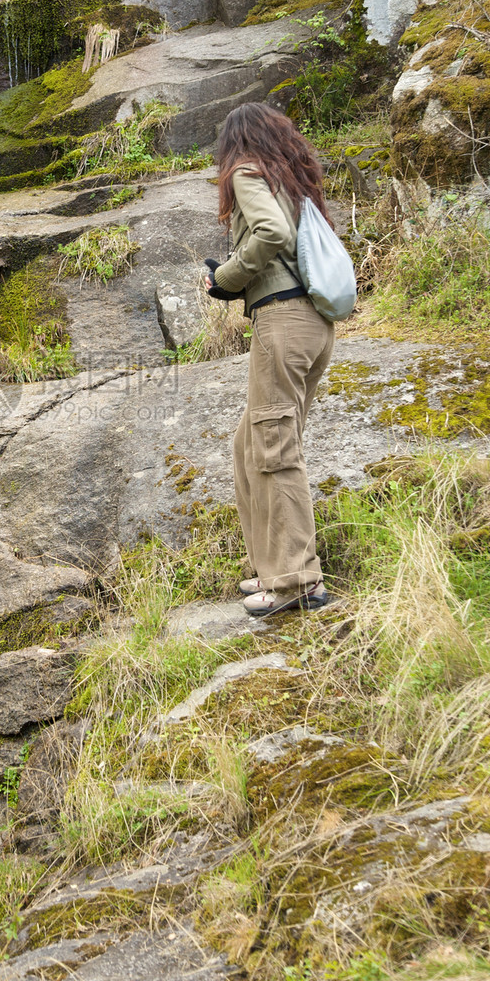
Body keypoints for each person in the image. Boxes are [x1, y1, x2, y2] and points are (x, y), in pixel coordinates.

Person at [204, 102, 334, 619]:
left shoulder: (246, 172)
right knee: (249, 442)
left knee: (276, 450)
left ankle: (297, 581)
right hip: (315, 325)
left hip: (283, 321)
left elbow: (271, 235)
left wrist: (226, 278)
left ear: (235, 144)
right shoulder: (293, 180)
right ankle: (269, 565)